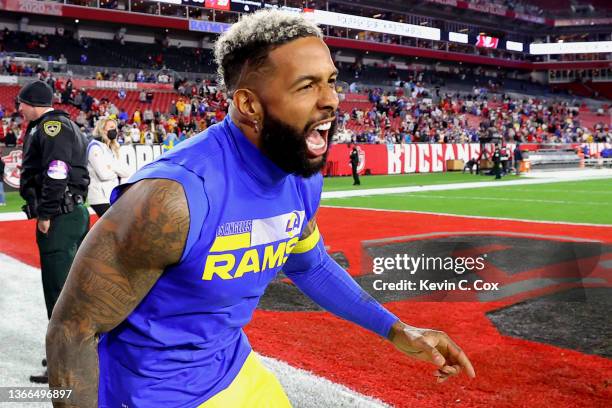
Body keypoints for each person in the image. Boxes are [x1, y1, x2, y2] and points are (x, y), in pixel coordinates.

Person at [46, 10, 475, 407]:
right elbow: (72, 331)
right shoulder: (171, 200)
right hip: (149, 393)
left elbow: (310, 265)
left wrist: (396, 329)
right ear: (249, 105)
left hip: (232, 368)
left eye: (331, 80)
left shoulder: (302, 171)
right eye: (307, 86)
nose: (331, 100)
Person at [17, 80, 90, 384]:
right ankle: (68, 356)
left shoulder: (52, 127)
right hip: (67, 212)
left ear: (33, 102)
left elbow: (57, 169)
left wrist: (46, 212)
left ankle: (65, 367)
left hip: (60, 216)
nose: (18, 108)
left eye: (21, 102)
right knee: (68, 290)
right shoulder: (54, 125)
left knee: (59, 293)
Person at [87, 117, 131, 217]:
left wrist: (111, 167)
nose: (114, 130)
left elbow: (126, 171)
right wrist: (116, 170)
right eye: (111, 127)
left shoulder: (113, 147)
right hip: (100, 198)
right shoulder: (95, 147)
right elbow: (104, 175)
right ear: (102, 129)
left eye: (115, 128)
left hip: (111, 195)